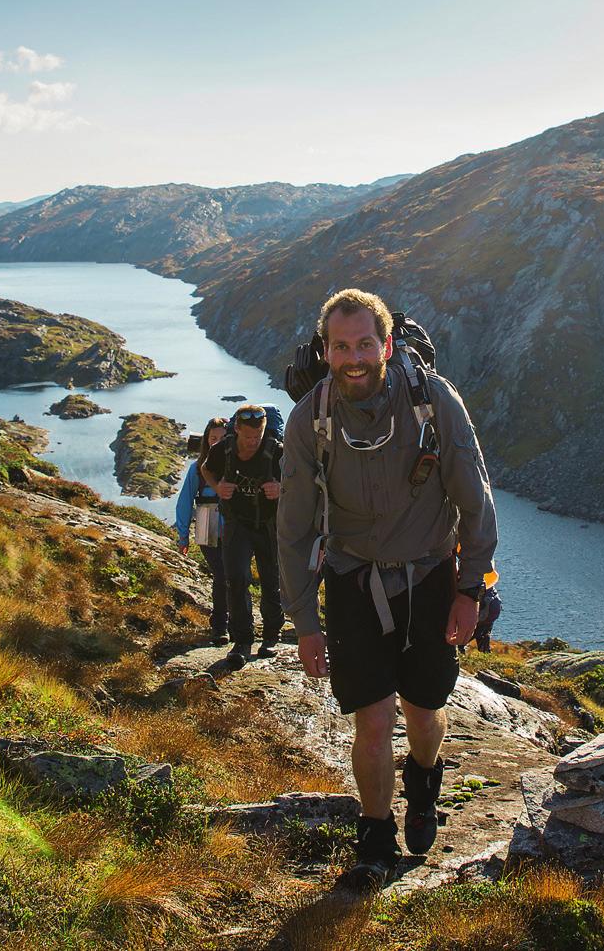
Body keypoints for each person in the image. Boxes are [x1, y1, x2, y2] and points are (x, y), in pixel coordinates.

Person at [277, 289, 497, 890]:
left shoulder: (433, 403)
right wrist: (305, 622)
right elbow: (293, 530)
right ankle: (375, 839)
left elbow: (475, 503)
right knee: (371, 722)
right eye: (341, 346)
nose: (354, 357)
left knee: (423, 712)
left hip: (429, 578)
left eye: (365, 344)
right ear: (325, 351)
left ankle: (424, 779)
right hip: (352, 580)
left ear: (387, 345)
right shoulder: (310, 420)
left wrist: (470, 590)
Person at [201, 404, 285, 669]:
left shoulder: (276, 452)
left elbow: (301, 479)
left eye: (257, 437)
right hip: (237, 524)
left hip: (269, 525)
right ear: (236, 429)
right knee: (236, 578)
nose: (252, 443)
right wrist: (218, 487)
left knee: (271, 580)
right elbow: (205, 468)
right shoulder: (223, 449)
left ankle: (271, 635)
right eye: (247, 437)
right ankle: (242, 641)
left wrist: (281, 488)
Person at [175, 417, 229, 645]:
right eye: (213, 438)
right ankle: (220, 626)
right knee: (222, 574)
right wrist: (183, 536)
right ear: (207, 441)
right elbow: (185, 501)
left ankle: (232, 623)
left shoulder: (240, 465)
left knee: (235, 575)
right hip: (208, 524)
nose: (217, 443)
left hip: (236, 527)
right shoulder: (197, 469)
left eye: (223, 439)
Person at [458, 586, 502, 654]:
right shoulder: (490, 586)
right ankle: (485, 655)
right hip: (491, 613)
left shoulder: (474, 585)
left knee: (464, 640)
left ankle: (460, 652)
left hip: (484, 614)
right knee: (484, 635)